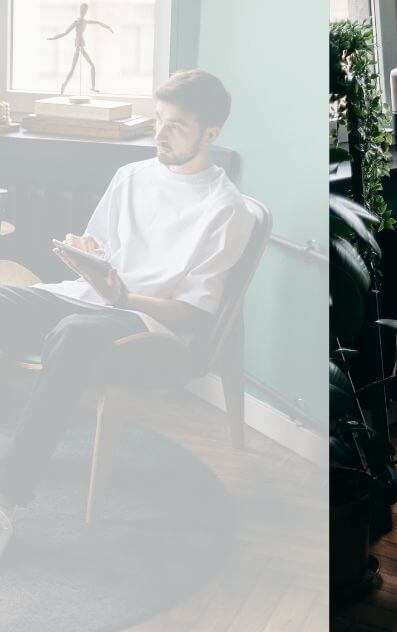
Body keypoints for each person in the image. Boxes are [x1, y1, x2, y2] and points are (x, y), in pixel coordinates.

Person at [0, 70, 253, 561]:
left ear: (211, 134)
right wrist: (85, 254)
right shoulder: (131, 176)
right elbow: (103, 246)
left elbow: (190, 315)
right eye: (158, 120)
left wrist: (123, 299)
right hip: (90, 298)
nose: (160, 134)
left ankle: (8, 499)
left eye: (176, 126)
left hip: (148, 325)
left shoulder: (226, 210)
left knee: (71, 334)